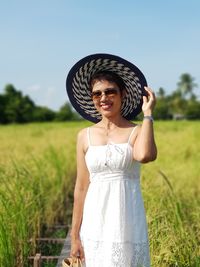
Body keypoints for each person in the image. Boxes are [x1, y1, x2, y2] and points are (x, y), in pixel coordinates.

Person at [66, 53, 157, 267]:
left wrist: (148, 115)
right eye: (97, 94)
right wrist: (75, 236)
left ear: (122, 94)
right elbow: (80, 187)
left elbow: (145, 156)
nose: (103, 98)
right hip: (94, 220)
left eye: (110, 92)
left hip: (126, 218)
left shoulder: (136, 131)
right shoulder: (84, 136)